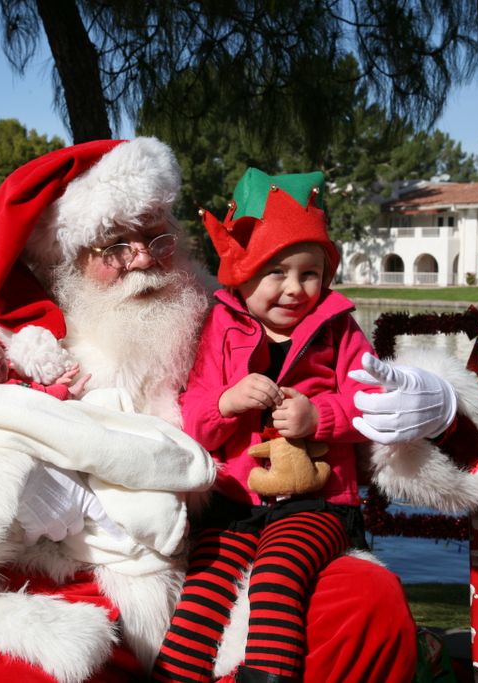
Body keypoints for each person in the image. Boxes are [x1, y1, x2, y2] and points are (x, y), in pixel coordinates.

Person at [0, 137, 478, 683]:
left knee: (363, 607)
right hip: (61, 590)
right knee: (8, 670)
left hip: (213, 570)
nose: (145, 262)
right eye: (115, 246)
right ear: (65, 261)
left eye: (157, 237)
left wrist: (432, 402)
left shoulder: (219, 321)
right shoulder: (3, 339)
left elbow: (358, 400)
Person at [152, 168, 400, 683]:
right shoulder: (220, 327)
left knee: (277, 574)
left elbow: (374, 402)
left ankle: (269, 676)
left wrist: (321, 416)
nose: (293, 289)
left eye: (308, 273)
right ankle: (175, 676)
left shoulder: (339, 329)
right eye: (276, 272)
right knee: (203, 587)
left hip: (320, 501)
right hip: (235, 501)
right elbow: (192, 416)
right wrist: (225, 402)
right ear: (242, 275)